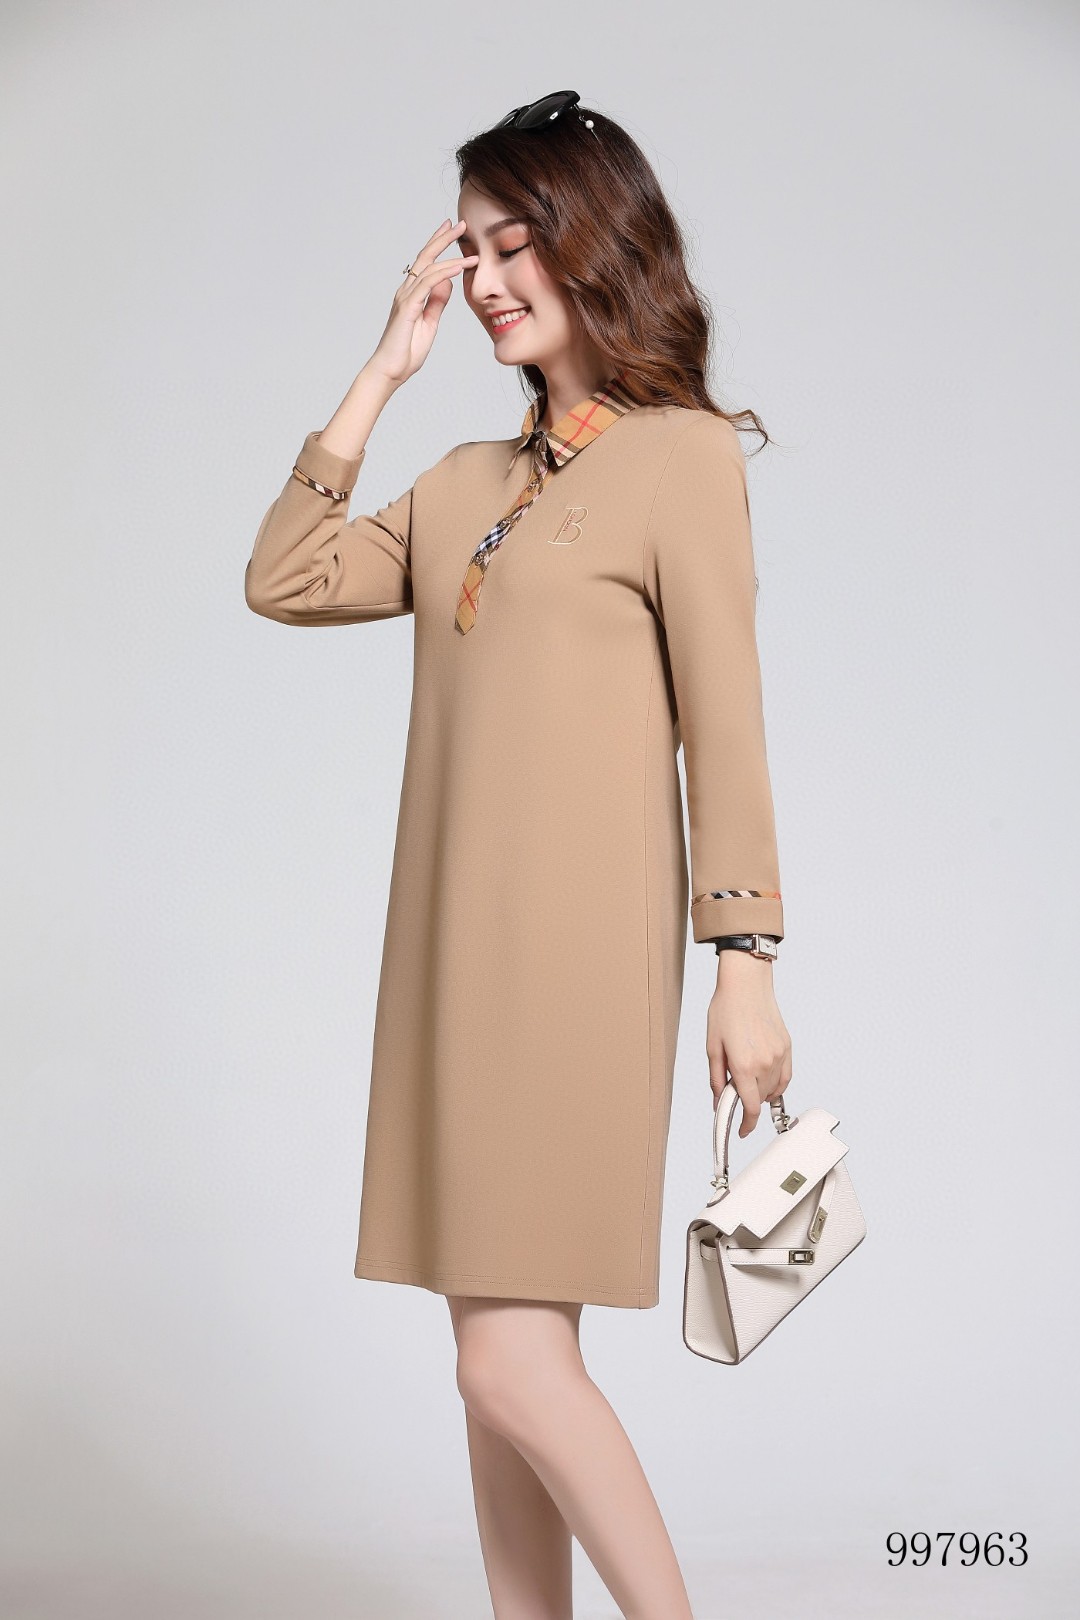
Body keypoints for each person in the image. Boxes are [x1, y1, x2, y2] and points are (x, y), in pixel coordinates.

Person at [245, 90, 792, 1620]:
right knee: (493, 1367)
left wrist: (745, 962)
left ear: (593, 242)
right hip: (449, 964)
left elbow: (728, 726)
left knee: (507, 1361)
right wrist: (383, 369)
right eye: (468, 249)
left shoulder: (682, 460)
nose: (483, 278)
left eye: (513, 243)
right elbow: (284, 576)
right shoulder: (463, 487)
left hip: (576, 961)